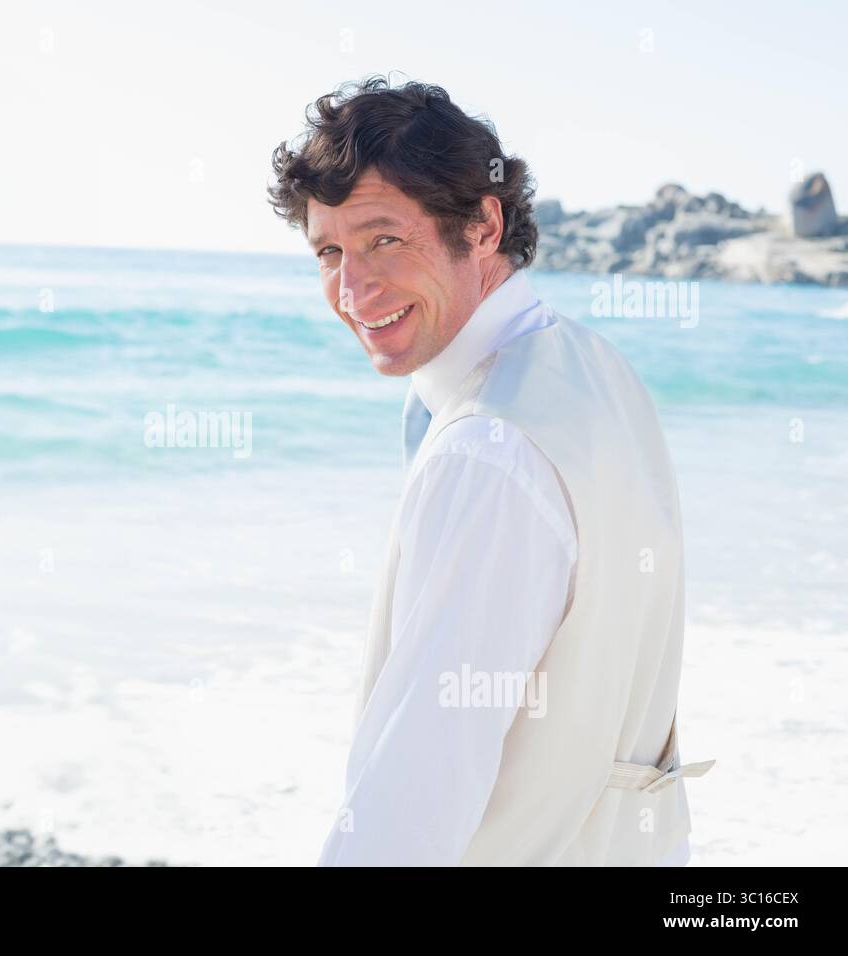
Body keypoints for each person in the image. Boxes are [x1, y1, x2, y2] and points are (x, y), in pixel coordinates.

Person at [267, 77, 714, 865]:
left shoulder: (487, 452)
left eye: (383, 240)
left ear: (482, 224)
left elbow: (412, 795)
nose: (352, 289)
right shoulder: (598, 372)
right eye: (329, 252)